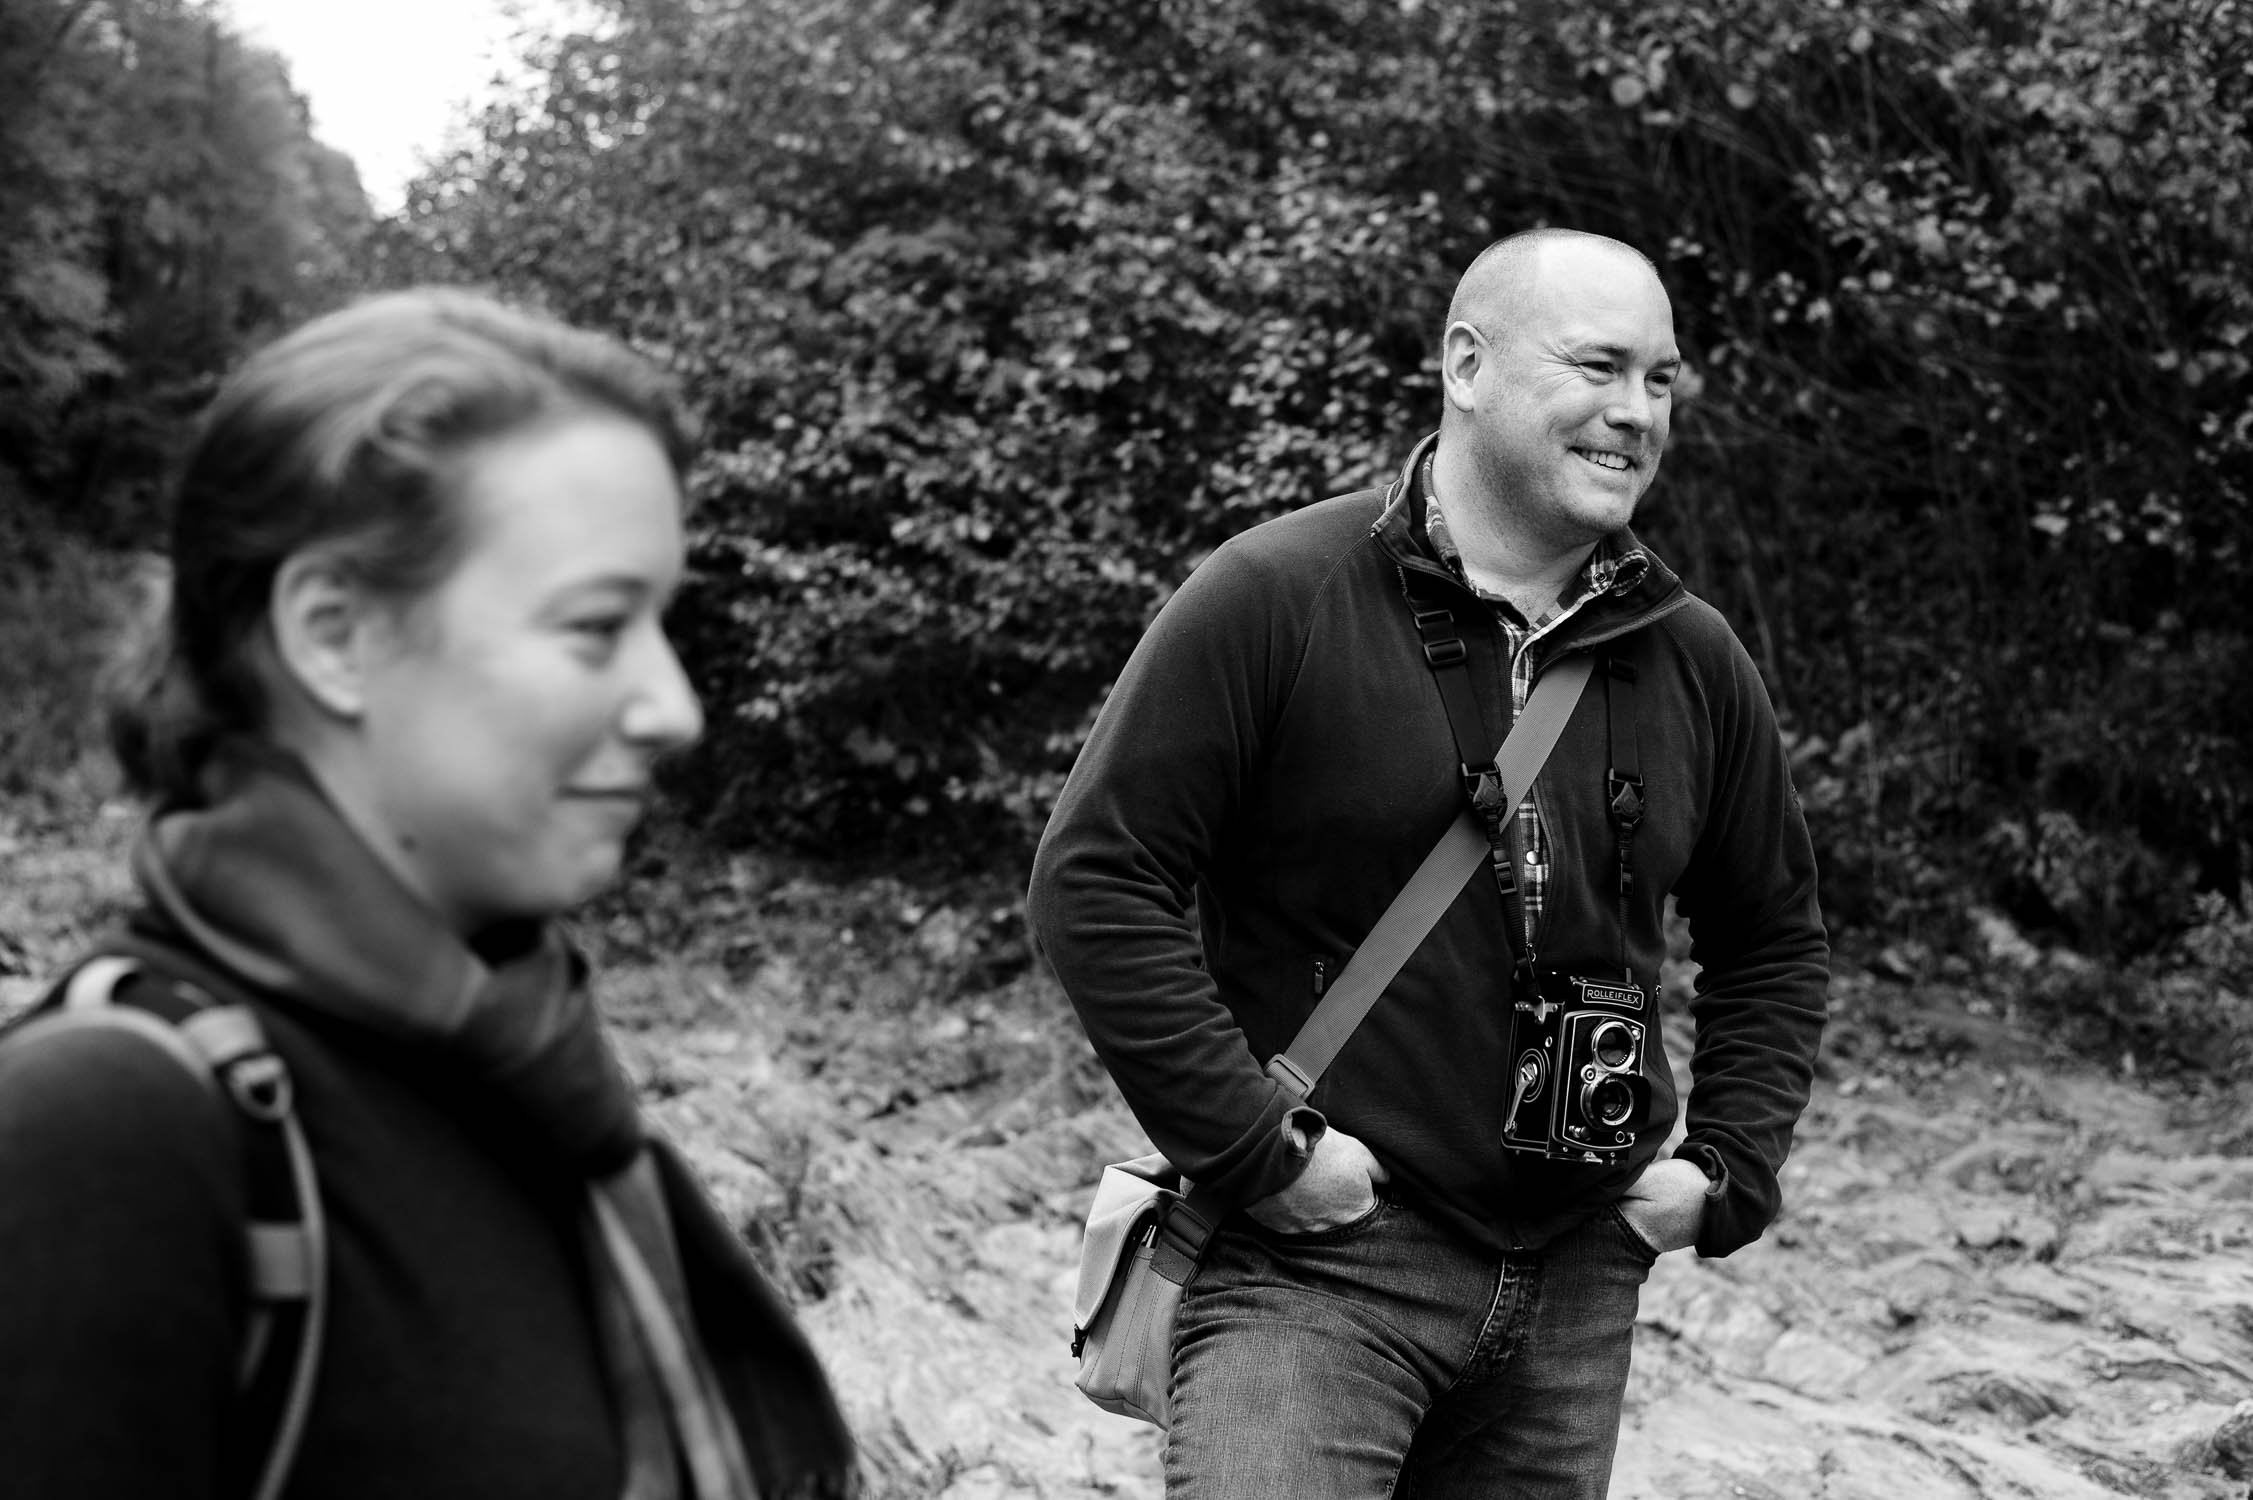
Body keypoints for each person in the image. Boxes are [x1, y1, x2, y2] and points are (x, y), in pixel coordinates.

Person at [0, 289, 859, 1499]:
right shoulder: (108, 1134)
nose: (675, 708)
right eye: (596, 625)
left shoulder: (528, 1073)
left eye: (659, 621)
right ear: (334, 632)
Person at [1027, 228, 1828, 1497]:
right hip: (1318, 1268)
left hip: (1578, 1284)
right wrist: (1259, 1155)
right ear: (1467, 364)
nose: (1637, 414)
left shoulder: (1695, 655)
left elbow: (1773, 935)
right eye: (1599, 367)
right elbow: (1095, 877)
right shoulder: (1277, 593)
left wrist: (1722, 1173)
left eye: (1662, 380)